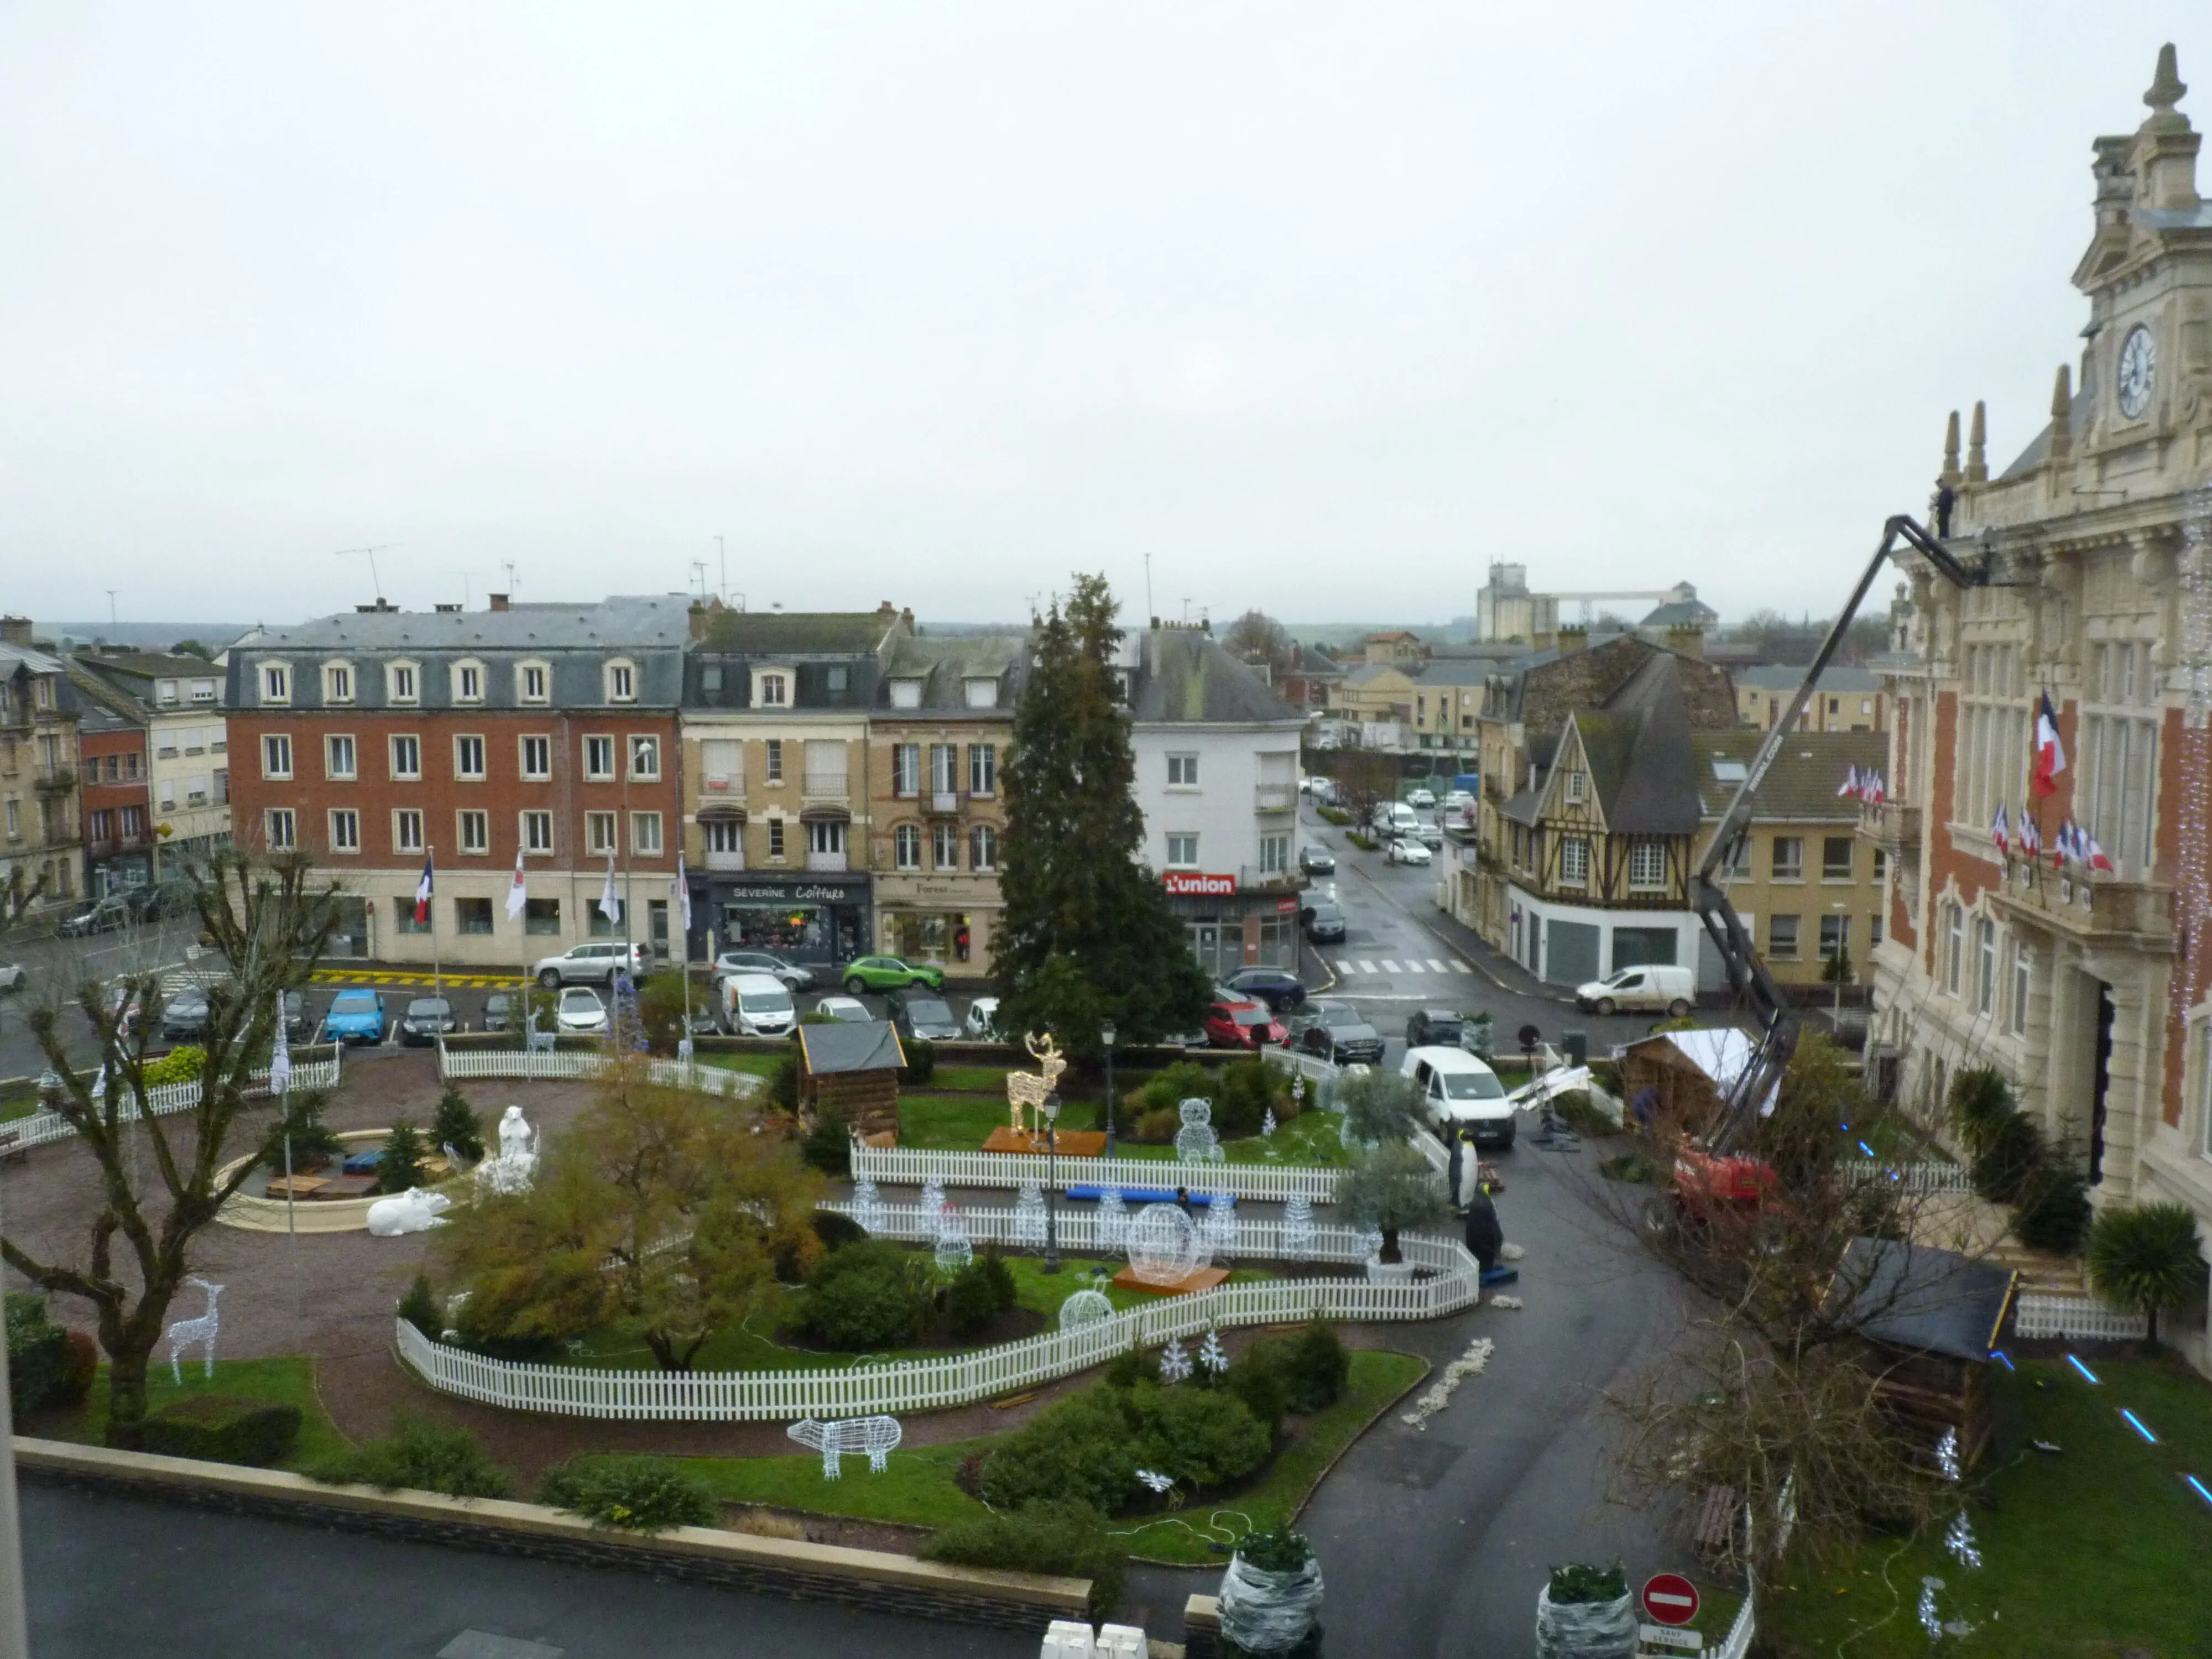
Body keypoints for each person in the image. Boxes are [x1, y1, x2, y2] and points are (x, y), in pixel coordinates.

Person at [1463, 1182, 1505, 1279]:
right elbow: (1496, 1233)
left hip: (1473, 1246)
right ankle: (1486, 1266)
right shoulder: (1487, 1205)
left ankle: (1481, 1264)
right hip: (1486, 1253)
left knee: (1478, 1245)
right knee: (1486, 1249)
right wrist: (1498, 1243)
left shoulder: (1476, 1204)